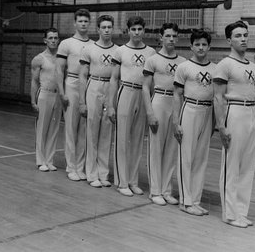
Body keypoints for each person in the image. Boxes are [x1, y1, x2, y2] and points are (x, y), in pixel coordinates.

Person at [213, 20, 255, 228]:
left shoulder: (252, 65)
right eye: (238, 36)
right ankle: (230, 214)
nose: (243, 39)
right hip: (235, 112)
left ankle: (241, 211)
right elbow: (218, 97)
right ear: (229, 40)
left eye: (245, 35)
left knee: (248, 165)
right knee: (232, 164)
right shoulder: (225, 64)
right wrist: (221, 126)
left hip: (251, 113)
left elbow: (254, 90)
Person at [108, 15, 156, 197]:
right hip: (125, 92)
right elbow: (113, 79)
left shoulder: (151, 52)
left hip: (142, 95)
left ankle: (133, 180)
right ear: (128, 31)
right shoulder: (120, 51)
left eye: (139, 29)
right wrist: (110, 105)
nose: (136, 32)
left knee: (137, 139)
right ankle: (122, 182)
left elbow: (152, 81)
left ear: (144, 30)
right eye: (133, 29)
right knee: (122, 139)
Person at [172, 29, 216, 216]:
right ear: (191, 46)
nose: (200, 48)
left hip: (207, 111)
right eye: (197, 44)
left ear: (209, 47)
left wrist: (214, 121)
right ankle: (185, 201)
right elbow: (177, 94)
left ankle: (195, 200)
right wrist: (176, 121)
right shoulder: (184, 67)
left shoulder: (215, 69)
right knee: (186, 157)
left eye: (204, 44)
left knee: (201, 158)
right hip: (189, 109)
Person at [142, 22, 186, 206]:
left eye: (174, 36)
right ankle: (155, 191)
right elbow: (145, 87)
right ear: (161, 37)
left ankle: (167, 190)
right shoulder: (152, 59)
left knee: (171, 149)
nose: (171, 39)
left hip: (175, 103)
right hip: (159, 101)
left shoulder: (183, 62)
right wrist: (150, 113)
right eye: (167, 35)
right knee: (156, 148)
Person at [56, 9, 94, 181]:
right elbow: (59, 69)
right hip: (71, 83)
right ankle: (71, 167)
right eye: (80, 21)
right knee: (71, 128)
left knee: (84, 129)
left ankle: (80, 166)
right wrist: (62, 93)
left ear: (89, 23)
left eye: (86, 21)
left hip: (88, 85)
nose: (83, 24)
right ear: (75, 23)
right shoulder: (66, 43)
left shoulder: (94, 45)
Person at [79, 15, 117, 188]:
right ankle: (91, 173)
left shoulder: (118, 50)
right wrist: (81, 101)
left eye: (109, 27)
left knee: (106, 132)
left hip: (111, 87)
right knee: (92, 130)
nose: (107, 30)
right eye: (104, 27)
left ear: (113, 28)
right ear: (98, 29)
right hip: (93, 85)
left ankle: (103, 174)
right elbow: (82, 75)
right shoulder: (89, 49)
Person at [31, 28, 62, 172]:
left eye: (56, 38)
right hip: (44, 94)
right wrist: (33, 101)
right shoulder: (39, 59)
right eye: (51, 38)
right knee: (42, 128)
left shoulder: (62, 58)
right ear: (45, 40)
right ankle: (40, 160)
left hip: (58, 96)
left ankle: (49, 160)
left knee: (54, 129)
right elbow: (34, 81)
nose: (54, 40)